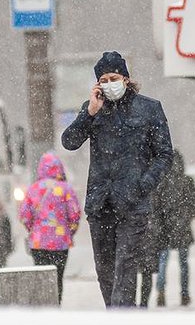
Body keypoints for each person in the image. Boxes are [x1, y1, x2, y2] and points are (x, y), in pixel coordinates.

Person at [61, 51, 173, 308]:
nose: (109, 83)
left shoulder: (149, 108)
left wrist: (143, 185)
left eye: (114, 77)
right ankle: (119, 315)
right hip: (100, 204)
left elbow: (164, 154)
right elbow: (69, 142)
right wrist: (89, 112)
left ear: (125, 78)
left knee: (125, 269)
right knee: (105, 273)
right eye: (103, 79)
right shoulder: (92, 110)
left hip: (133, 205)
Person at [18, 151, 81, 305]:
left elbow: (25, 215)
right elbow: (75, 214)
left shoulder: (33, 189)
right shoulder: (65, 189)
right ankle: (56, 304)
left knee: (42, 277)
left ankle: (43, 308)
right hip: (60, 243)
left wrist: (33, 230)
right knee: (57, 277)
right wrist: (69, 232)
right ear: (59, 168)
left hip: (38, 243)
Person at [153, 150, 195, 307]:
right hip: (182, 228)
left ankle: (161, 292)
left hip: (165, 228)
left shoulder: (161, 180)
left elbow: (155, 206)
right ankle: (184, 294)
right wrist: (185, 217)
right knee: (184, 264)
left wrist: (160, 221)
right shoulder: (187, 181)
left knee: (162, 262)